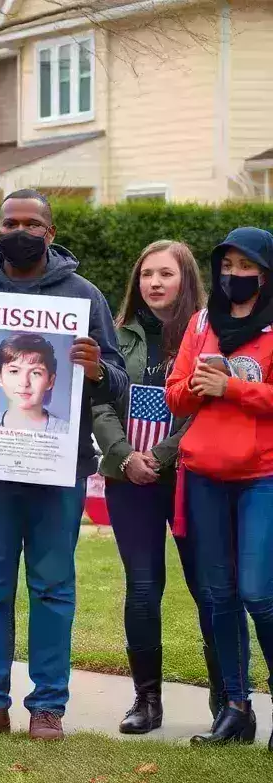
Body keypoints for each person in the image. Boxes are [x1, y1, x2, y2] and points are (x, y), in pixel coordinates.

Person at [0, 189, 128, 741]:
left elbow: (117, 380)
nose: (21, 230)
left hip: (57, 470)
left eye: (32, 223)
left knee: (52, 587)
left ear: (51, 230)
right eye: (10, 222)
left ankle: (48, 707)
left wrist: (95, 370)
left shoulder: (84, 296)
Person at [92, 240, 215, 735]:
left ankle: (229, 701)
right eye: (146, 274)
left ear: (186, 279)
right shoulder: (117, 336)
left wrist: (161, 457)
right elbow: (98, 401)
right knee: (143, 589)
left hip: (191, 479)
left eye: (166, 273)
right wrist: (123, 457)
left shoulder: (208, 335)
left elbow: (205, 407)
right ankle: (146, 701)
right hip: (130, 481)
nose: (155, 283)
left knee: (209, 589)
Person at [168, 227, 273, 747]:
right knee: (219, 594)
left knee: (259, 591)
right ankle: (235, 708)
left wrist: (231, 386)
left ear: (266, 271)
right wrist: (196, 386)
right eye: (226, 265)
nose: (235, 275)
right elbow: (175, 397)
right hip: (204, 474)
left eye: (246, 265)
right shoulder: (201, 322)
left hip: (261, 477)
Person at [0, 333, 71, 434]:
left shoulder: (66, 433)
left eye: (36, 373)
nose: (24, 383)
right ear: (0, 377)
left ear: (50, 381)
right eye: (14, 371)